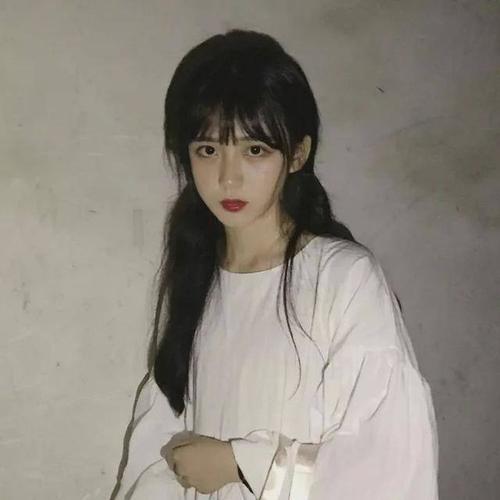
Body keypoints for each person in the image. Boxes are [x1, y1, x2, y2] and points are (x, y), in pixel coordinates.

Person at [109, 29, 439, 500]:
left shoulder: (342, 278)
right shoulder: (195, 281)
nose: (228, 177)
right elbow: (157, 448)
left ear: (298, 153)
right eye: (208, 150)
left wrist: (242, 462)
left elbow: (391, 458)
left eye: (254, 150)